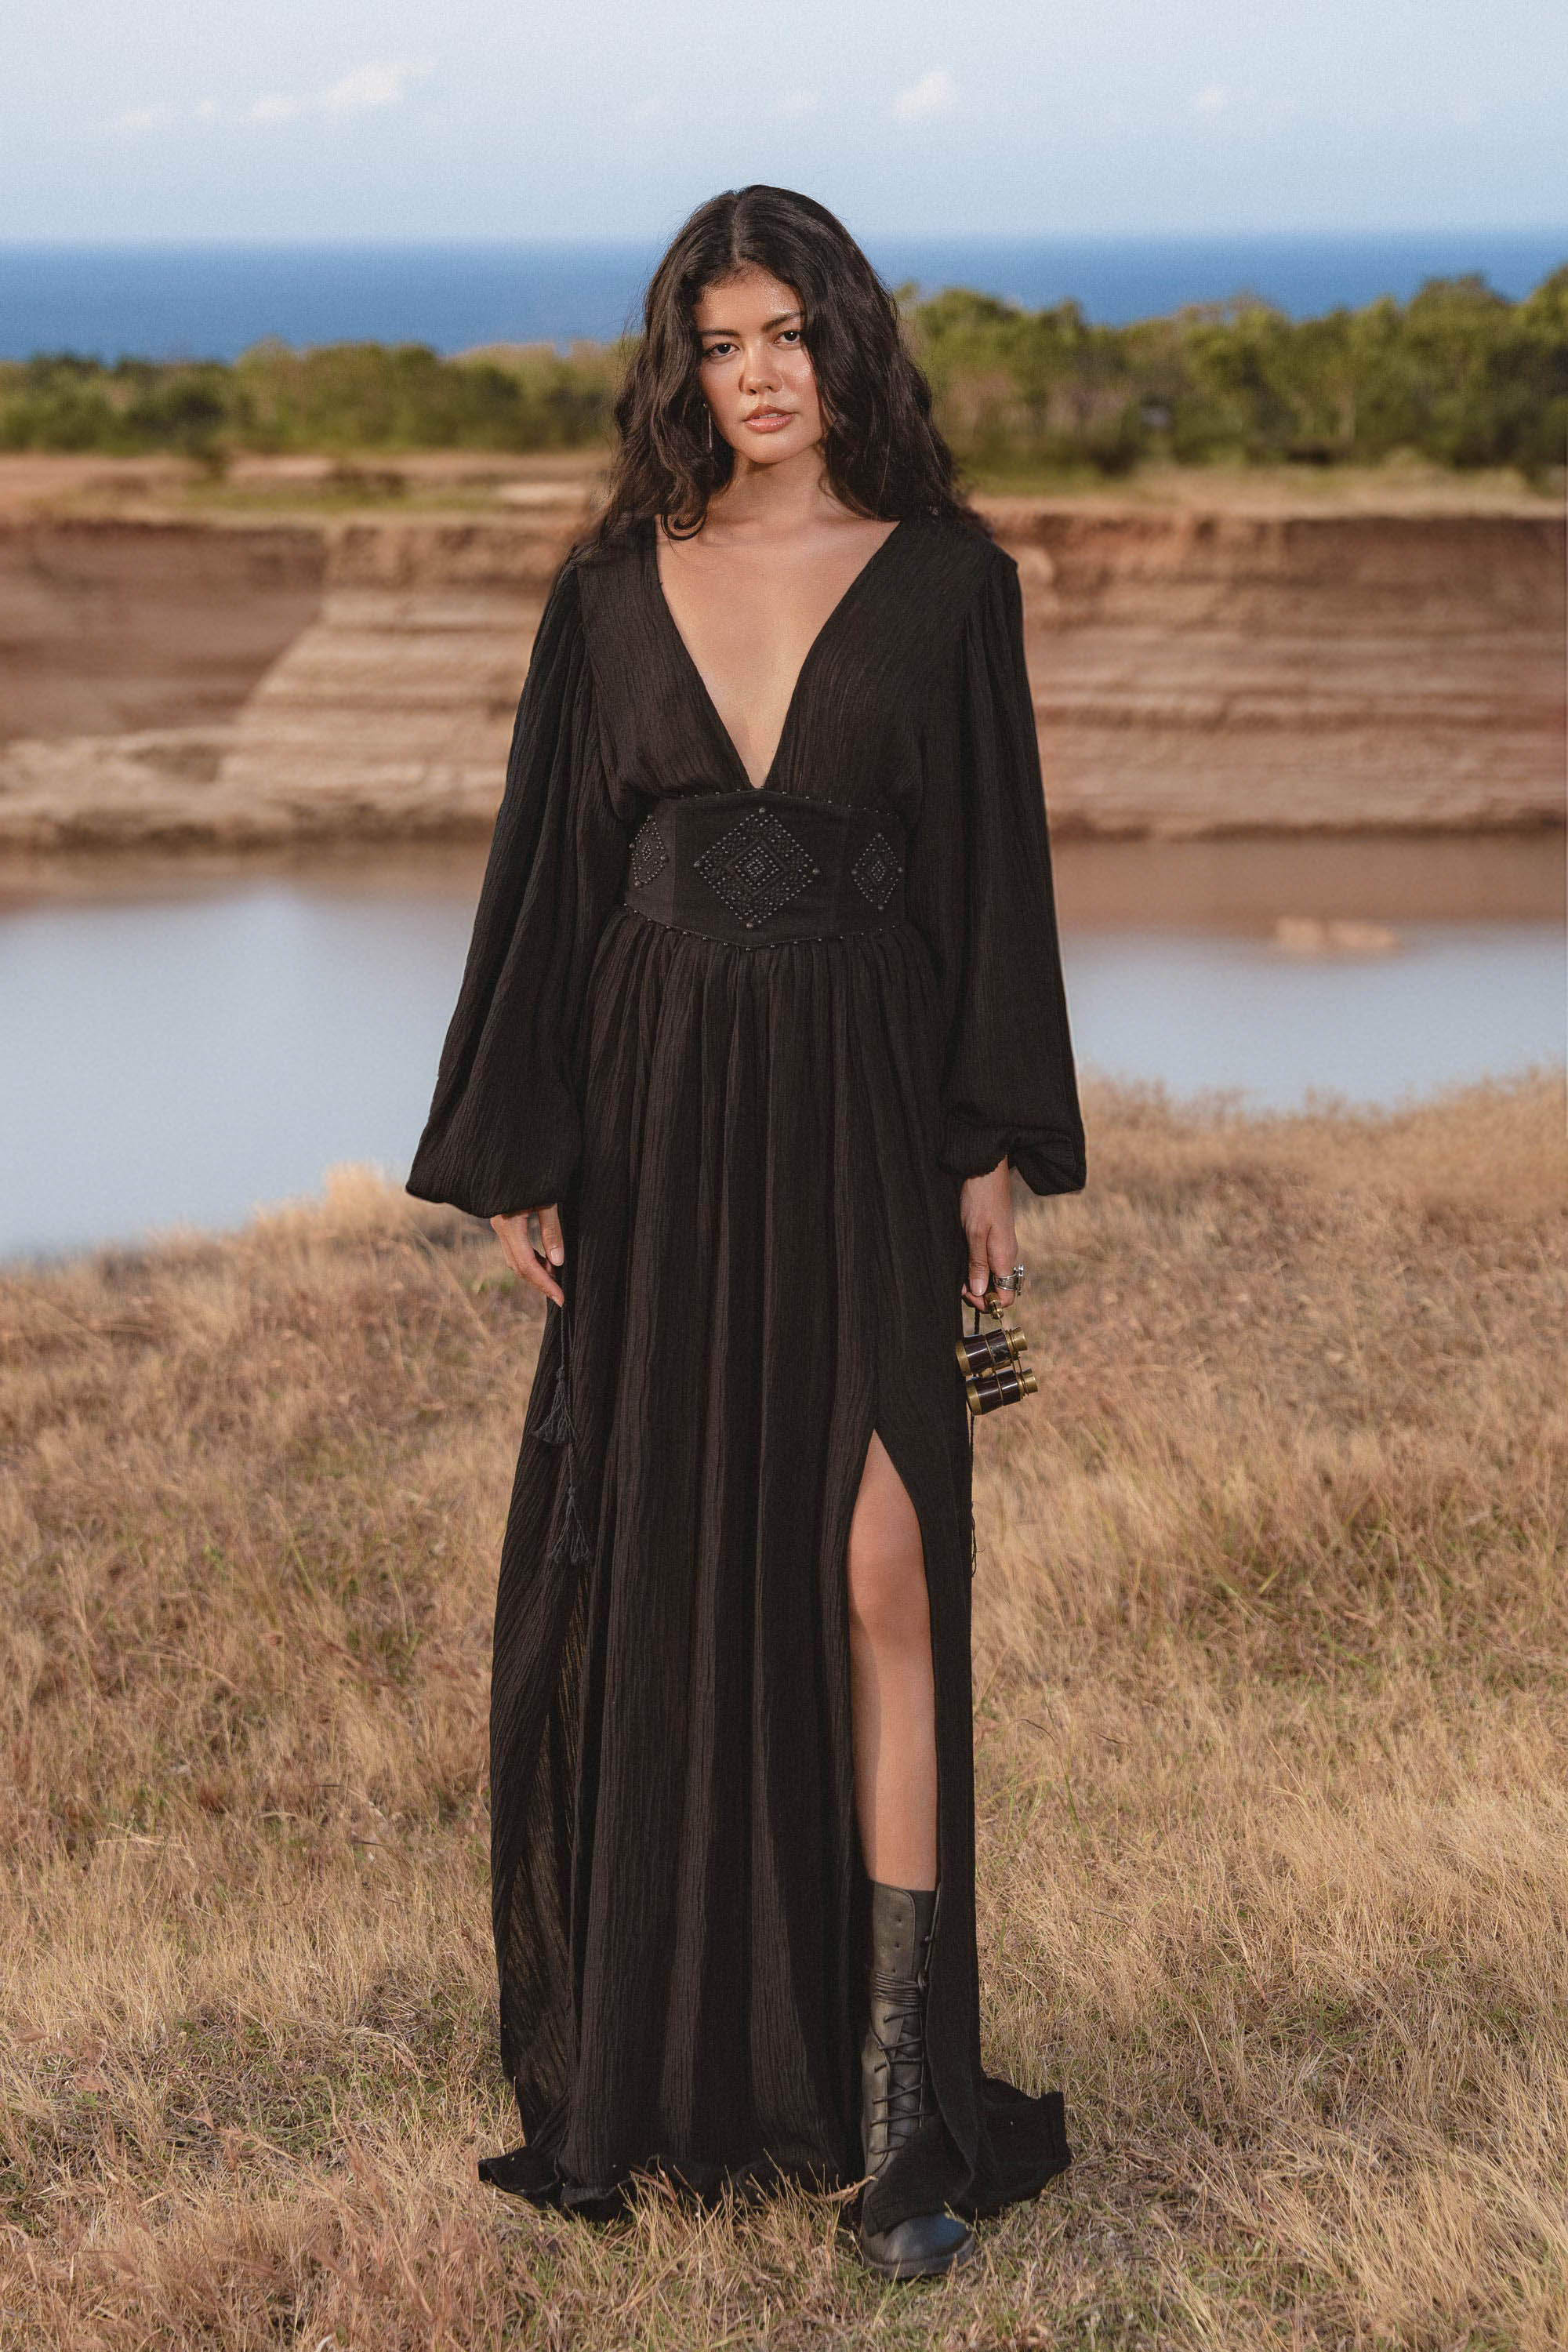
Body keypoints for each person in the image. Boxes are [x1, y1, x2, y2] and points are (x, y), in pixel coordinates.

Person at [406, 183, 1085, 2282]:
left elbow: (992, 871)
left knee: (887, 1551)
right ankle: (667, 2080)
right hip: (661, 1114)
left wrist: (989, 1137)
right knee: (685, 1564)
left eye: (791, 329)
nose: (760, 372)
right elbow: (547, 875)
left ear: (847, 342)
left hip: (876, 1112)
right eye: (721, 340)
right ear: (680, 368)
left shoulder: (952, 583)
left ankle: (902, 2127)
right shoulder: (609, 590)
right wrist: (529, 1140)